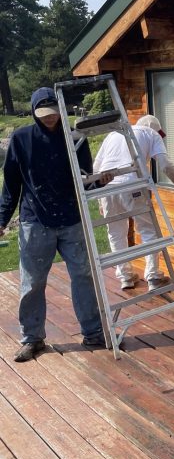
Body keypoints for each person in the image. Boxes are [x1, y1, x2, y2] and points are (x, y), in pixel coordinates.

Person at [0, 87, 111, 362]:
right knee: (33, 282)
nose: (49, 119)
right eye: (43, 115)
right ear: (35, 112)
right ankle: (33, 339)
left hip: (72, 220)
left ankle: (93, 332)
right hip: (35, 222)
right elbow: (11, 185)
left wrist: (100, 180)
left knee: (83, 276)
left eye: (53, 114)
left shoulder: (75, 138)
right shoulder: (21, 139)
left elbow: (84, 176)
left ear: (61, 111)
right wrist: (1, 220)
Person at [93, 114, 174, 290]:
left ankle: (125, 277)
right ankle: (153, 276)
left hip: (107, 186)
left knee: (116, 232)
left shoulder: (114, 134)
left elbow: (96, 167)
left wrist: (101, 200)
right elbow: (165, 165)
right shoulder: (150, 134)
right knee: (148, 230)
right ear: (154, 128)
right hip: (134, 184)